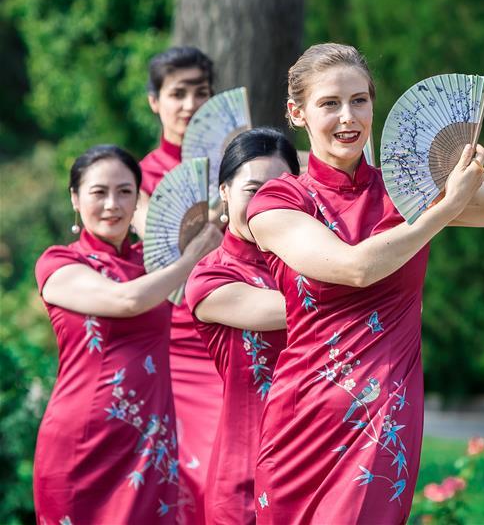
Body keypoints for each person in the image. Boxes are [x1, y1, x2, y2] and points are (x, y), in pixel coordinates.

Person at [246, 42, 484, 524]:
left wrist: (461, 185)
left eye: (359, 100)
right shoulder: (278, 201)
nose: (348, 116)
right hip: (302, 416)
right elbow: (355, 268)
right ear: (298, 113)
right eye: (329, 104)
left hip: (382, 414)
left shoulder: (405, 193)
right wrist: (442, 210)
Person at [33, 145, 221, 524]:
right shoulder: (60, 263)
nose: (112, 205)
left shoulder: (153, 263)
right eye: (98, 192)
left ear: (138, 198)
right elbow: (128, 300)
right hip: (84, 443)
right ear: (75, 197)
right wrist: (193, 255)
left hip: (149, 442)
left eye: (124, 192)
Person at [184, 128, 299, 524]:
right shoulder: (210, 278)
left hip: (321, 462)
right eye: (252, 190)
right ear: (225, 192)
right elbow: (299, 310)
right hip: (246, 476)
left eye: (280, 190)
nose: (266, 204)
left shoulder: (312, 263)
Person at [130, 46, 222, 522]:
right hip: (176, 347)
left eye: (201, 93)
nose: (190, 104)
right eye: (177, 93)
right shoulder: (138, 179)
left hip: (233, 336)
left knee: (231, 480)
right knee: (185, 481)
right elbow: (166, 238)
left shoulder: (239, 167)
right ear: (154, 101)